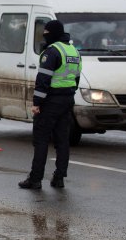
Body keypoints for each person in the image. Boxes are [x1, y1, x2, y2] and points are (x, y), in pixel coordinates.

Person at [19, 20, 81, 189]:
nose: (44, 35)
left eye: (46, 33)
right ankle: (59, 178)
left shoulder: (52, 52)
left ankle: (35, 179)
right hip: (67, 100)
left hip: (50, 101)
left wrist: (37, 103)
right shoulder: (74, 51)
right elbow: (76, 78)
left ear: (52, 33)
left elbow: (43, 79)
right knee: (62, 141)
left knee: (41, 140)